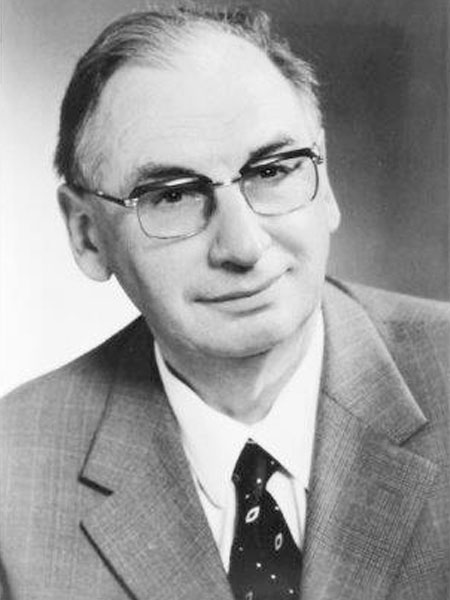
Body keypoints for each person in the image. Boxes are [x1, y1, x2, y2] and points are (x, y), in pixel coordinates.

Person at [0, 5, 448, 600]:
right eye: (172, 195)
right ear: (87, 235)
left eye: (274, 170)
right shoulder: (12, 475)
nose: (244, 245)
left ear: (326, 184)